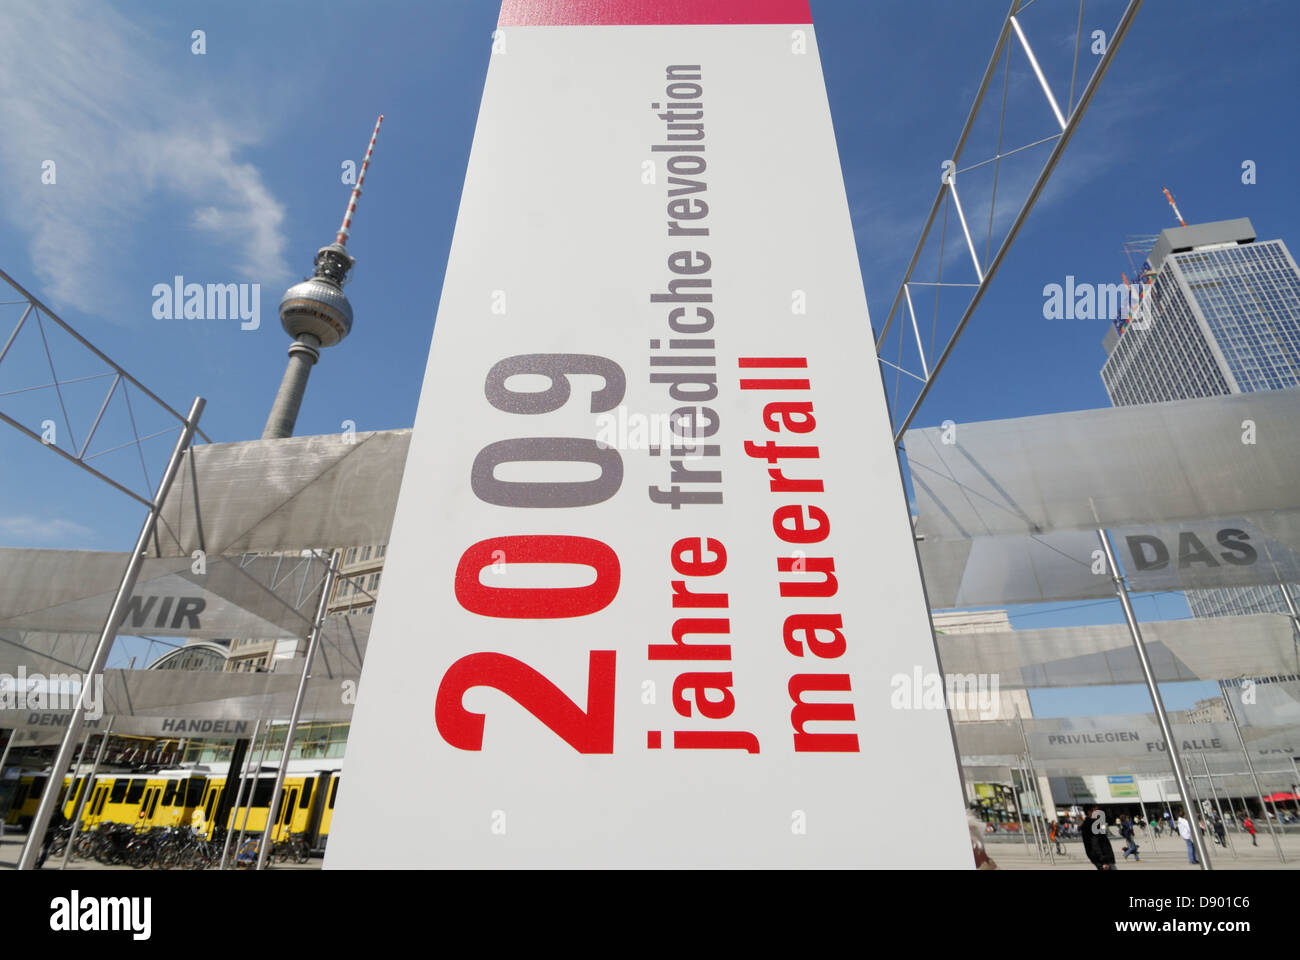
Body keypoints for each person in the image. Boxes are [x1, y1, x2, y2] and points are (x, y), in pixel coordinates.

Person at [1082, 806, 1116, 870]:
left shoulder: (1093, 823)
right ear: (1089, 812)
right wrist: (1104, 861)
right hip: (1102, 859)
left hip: (1102, 858)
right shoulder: (1091, 825)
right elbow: (1095, 844)